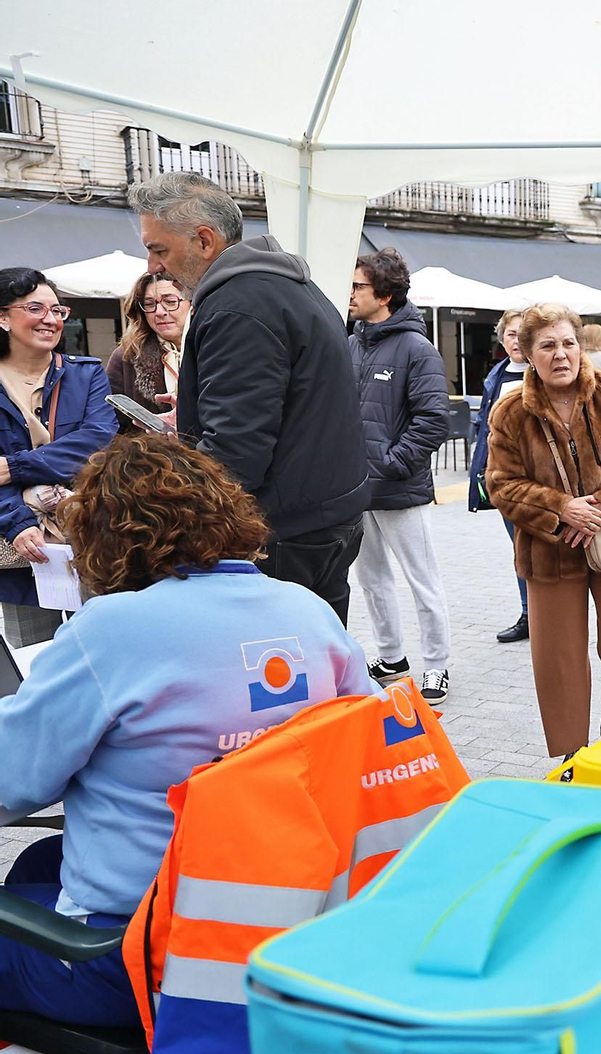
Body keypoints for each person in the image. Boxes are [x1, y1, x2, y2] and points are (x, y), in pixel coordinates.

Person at [0, 433, 377, 1029]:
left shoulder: (113, 629)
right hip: (291, 923)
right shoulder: (306, 609)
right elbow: (370, 743)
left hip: (146, 961)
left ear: (104, 536)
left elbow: (11, 781)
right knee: (38, 864)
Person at [129, 172, 370, 623]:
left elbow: (237, 448)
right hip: (324, 513)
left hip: (281, 527)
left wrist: (182, 528)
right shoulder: (284, 286)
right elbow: (292, 404)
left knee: (280, 679)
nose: (151, 265)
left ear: (203, 239)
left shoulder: (238, 304)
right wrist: (195, 416)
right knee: (320, 665)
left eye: (157, 248)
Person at [485, 303, 601, 761]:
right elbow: (500, 485)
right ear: (527, 352)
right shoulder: (510, 412)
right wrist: (562, 508)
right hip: (550, 548)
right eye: (547, 346)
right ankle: (570, 756)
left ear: (580, 346)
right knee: (558, 659)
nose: (560, 354)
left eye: (568, 343)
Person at [347, 248, 452, 703]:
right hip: (354, 488)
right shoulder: (350, 342)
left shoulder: (416, 348)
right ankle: (392, 657)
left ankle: (437, 666)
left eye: (358, 287)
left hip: (398, 488)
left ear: (384, 295)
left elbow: (433, 419)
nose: (349, 294)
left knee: (421, 580)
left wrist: (391, 463)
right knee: (370, 580)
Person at [0, 268, 117, 646]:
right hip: (24, 544)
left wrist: (16, 466)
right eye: (36, 308)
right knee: (34, 658)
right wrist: (17, 525)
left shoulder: (86, 374)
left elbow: (97, 442)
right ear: (3, 317)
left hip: (91, 528)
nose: (50, 320)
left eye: (58, 310)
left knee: (106, 647)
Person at [468, 308, 533, 643]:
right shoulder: (496, 374)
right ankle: (529, 614)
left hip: (536, 480)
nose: (516, 340)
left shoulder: (543, 372)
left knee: (537, 549)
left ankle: (546, 614)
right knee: (520, 549)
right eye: (510, 333)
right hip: (502, 477)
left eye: (523, 333)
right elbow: (482, 424)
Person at [107, 272, 187, 429]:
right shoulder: (126, 356)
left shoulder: (216, 348)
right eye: (150, 304)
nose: (159, 312)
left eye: (170, 302)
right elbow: (112, 424)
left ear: (192, 303)